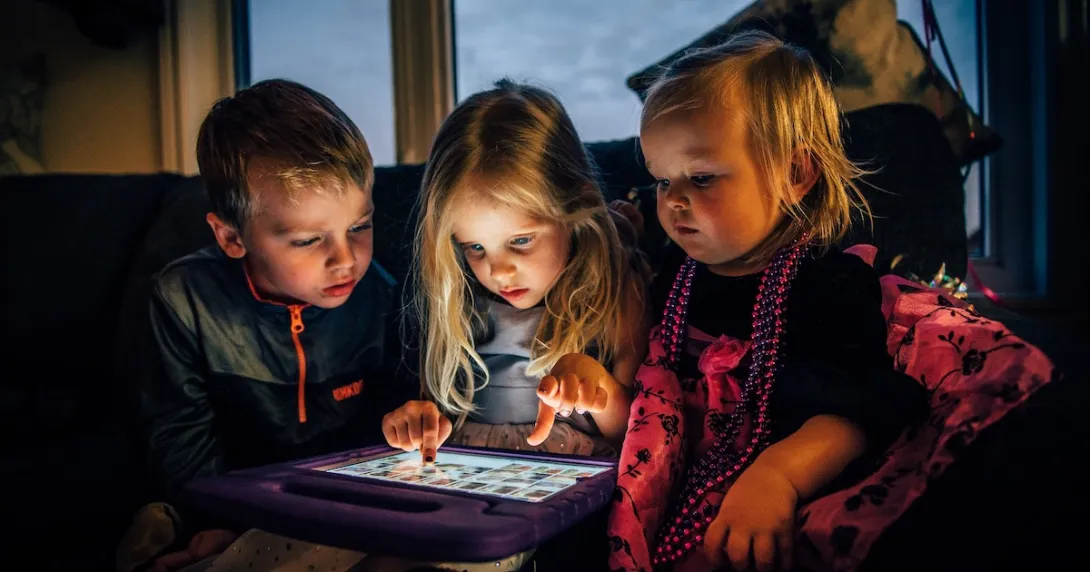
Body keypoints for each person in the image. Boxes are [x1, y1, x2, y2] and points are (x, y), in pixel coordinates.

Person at [606, 30, 928, 572]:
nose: (675, 199)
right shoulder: (676, 273)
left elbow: (855, 411)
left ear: (795, 174)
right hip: (681, 487)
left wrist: (776, 478)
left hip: (786, 491)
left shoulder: (826, 282)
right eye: (662, 181)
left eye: (702, 177)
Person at [116, 78, 414, 572]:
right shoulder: (184, 299)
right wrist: (209, 516)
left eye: (359, 227)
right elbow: (179, 432)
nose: (346, 260)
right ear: (232, 237)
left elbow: (389, 415)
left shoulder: (380, 295)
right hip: (231, 493)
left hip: (336, 499)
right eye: (307, 240)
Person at [382, 79, 651, 463]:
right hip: (471, 476)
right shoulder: (458, 295)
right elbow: (438, 409)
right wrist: (418, 421)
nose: (499, 271)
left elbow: (638, 431)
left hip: (572, 484)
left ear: (575, 210)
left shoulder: (615, 289)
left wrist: (598, 385)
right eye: (475, 247)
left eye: (521, 241)